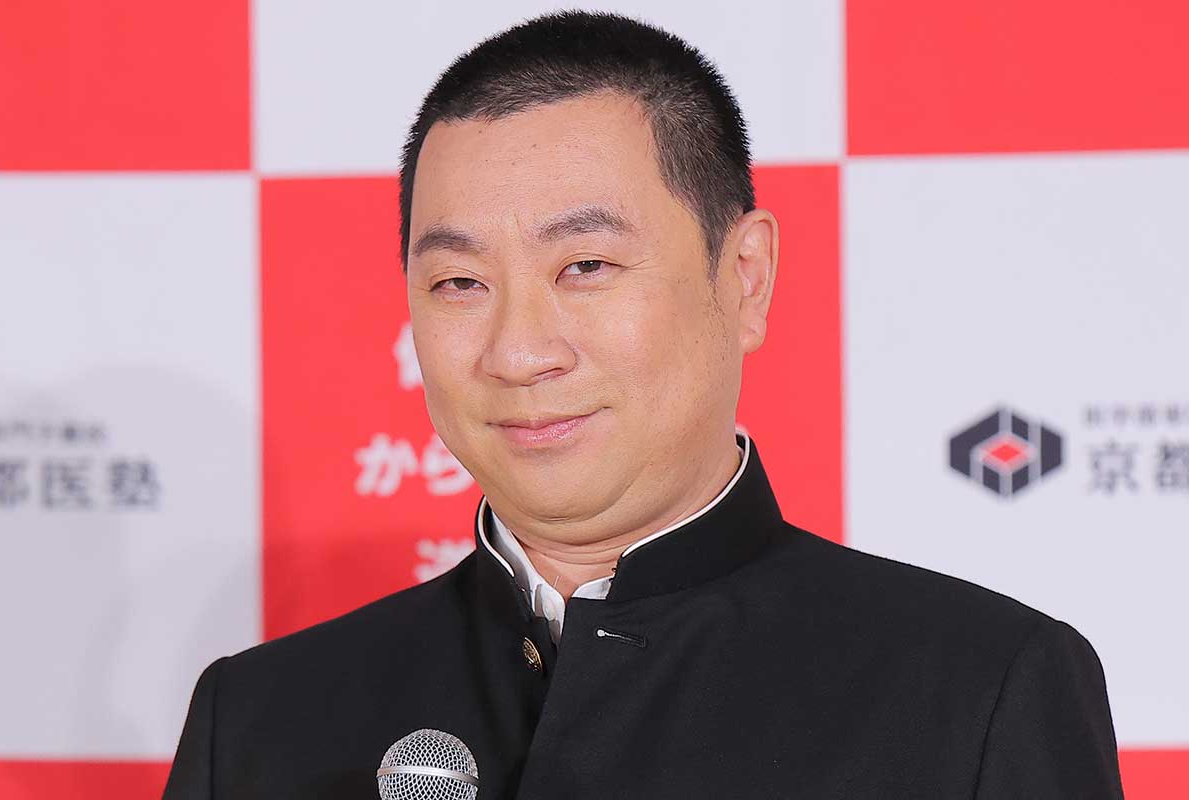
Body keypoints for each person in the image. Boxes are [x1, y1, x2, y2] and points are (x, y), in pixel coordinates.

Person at [164, 11, 1123, 798]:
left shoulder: (979, 690)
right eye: (459, 282)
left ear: (744, 277)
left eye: (586, 266)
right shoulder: (261, 719)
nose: (519, 351)